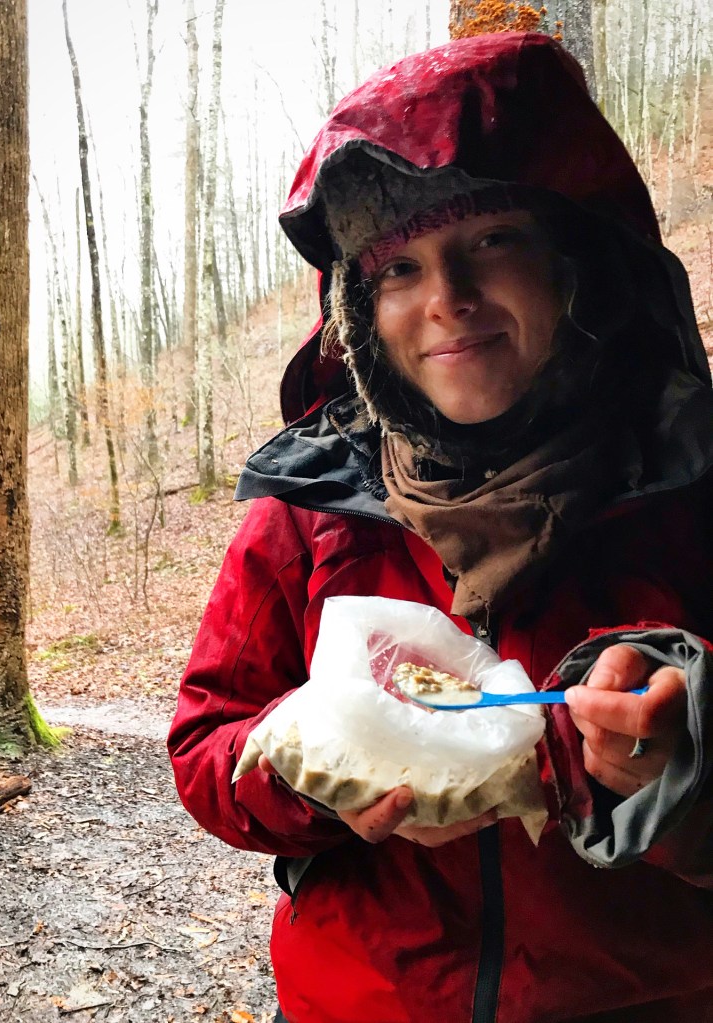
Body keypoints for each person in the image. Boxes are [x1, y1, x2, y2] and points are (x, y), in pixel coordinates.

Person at [168, 31, 713, 1023]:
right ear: (360, 316)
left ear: (574, 264)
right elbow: (207, 745)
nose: (447, 301)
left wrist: (682, 767)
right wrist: (314, 775)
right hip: (361, 1002)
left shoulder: (686, 485)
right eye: (399, 269)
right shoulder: (309, 508)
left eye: (492, 241)